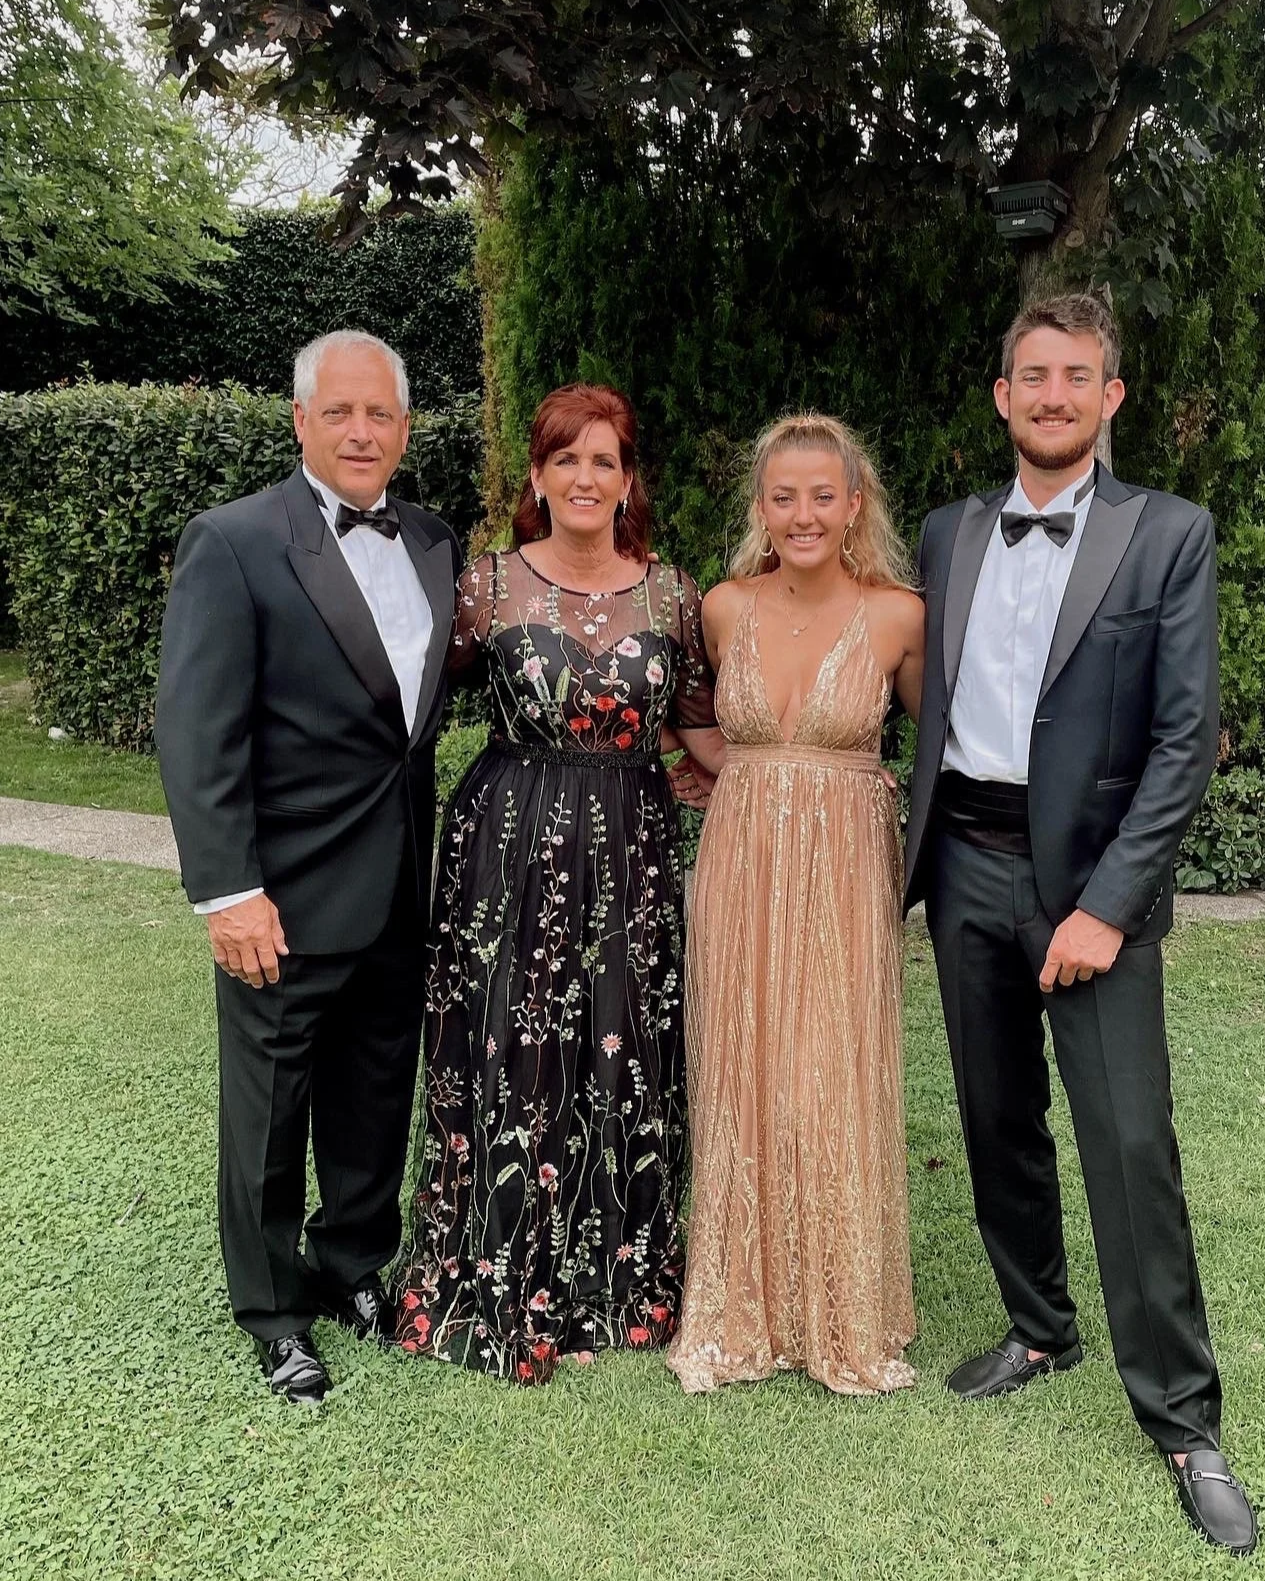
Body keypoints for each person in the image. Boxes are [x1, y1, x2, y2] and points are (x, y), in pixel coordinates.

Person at [905, 293, 1256, 1555]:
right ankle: (1038, 1327)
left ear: (1108, 398)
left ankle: (1181, 1419)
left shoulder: (1167, 533)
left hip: (1090, 885)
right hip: (963, 865)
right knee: (994, 1117)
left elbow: (1181, 740)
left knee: (1127, 1144)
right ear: (1001, 395)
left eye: (1076, 377)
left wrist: (1105, 908)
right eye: (1031, 375)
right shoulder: (947, 532)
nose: (1051, 395)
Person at [391, 383, 718, 1383]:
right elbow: (405, 707)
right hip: (506, 844)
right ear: (536, 476)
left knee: (625, 1045)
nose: (585, 477)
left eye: (603, 460)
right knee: (511, 1043)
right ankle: (498, 1265)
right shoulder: (483, 587)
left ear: (627, 480)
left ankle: (618, 1280)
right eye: (565, 458)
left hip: (631, 848)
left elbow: (702, 728)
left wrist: (794, 776)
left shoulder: (674, 597)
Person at [156, 331, 459, 1405]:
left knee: (375, 1089)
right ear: (299, 420)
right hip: (279, 896)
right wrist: (228, 891)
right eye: (339, 412)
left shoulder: (434, 542)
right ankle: (274, 1312)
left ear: (405, 428)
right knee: (270, 1113)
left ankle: (349, 1262)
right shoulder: (234, 541)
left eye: (379, 414)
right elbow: (198, 730)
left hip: (398, 884)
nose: (361, 431)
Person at [665, 413, 925, 1396]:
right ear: (760, 507)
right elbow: (696, 717)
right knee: (744, 1060)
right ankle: (744, 1300)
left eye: (822, 495)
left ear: (854, 504)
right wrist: (727, 774)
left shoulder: (898, 616)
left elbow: (946, 738)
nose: (802, 514)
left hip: (846, 865)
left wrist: (856, 787)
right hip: (739, 859)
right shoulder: (723, 607)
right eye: (784, 497)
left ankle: (838, 1305)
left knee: (826, 1067)